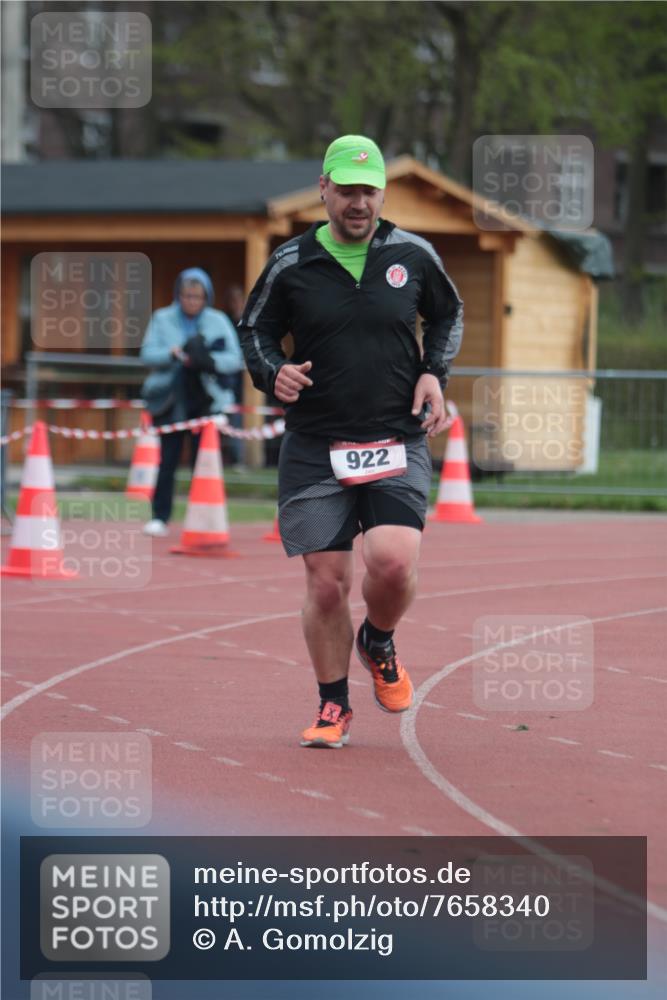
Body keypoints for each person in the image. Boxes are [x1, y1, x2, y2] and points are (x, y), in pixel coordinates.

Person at [239, 135, 463, 749]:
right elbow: (255, 330)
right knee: (326, 581)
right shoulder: (292, 263)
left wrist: (432, 374)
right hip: (315, 443)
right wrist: (271, 373)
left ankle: (379, 639)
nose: (357, 202)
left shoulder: (413, 255)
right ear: (324, 189)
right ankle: (333, 704)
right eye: (346, 190)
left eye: (368, 191)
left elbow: (448, 314)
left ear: (382, 193)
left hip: (395, 436)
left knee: (392, 563)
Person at [140, 267, 243, 536]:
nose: (192, 301)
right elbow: (147, 354)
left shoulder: (218, 320)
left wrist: (208, 361)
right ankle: (160, 517)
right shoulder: (161, 318)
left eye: (197, 296)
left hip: (207, 402)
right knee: (168, 460)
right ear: (178, 295)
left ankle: (205, 518)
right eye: (186, 295)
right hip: (171, 400)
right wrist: (171, 354)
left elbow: (235, 359)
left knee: (206, 462)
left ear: (206, 297)